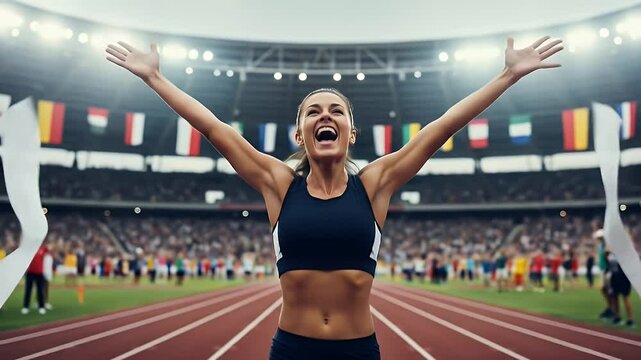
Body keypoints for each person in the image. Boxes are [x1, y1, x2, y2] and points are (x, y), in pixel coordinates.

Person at [106, 35, 562, 359]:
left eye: (336, 111)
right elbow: (214, 128)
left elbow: (443, 126)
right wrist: (154, 79)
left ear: (350, 131)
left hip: (358, 350)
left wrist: (508, 75)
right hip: (291, 348)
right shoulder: (278, 183)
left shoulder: (375, 184)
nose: (326, 117)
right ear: (301, 134)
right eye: (313, 112)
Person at [22, 244, 48, 315]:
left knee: (40, 290)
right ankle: (26, 307)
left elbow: (52, 249)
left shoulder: (43, 248)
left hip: (39, 273)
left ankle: (41, 307)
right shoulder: (30, 248)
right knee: (28, 290)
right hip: (30, 272)